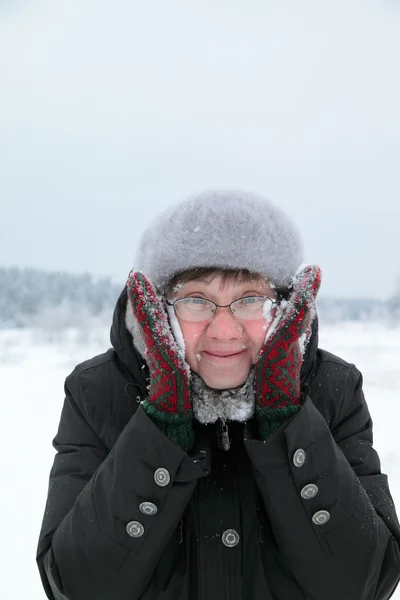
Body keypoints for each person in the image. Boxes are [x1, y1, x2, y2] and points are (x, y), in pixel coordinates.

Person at [36, 191, 400, 600]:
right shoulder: (98, 393)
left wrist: (288, 422)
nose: (224, 331)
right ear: (157, 309)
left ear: (284, 309)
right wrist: (160, 427)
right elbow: (75, 586)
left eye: (250, 300)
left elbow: (368, 583)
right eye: (197, 300)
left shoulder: (332, 390)